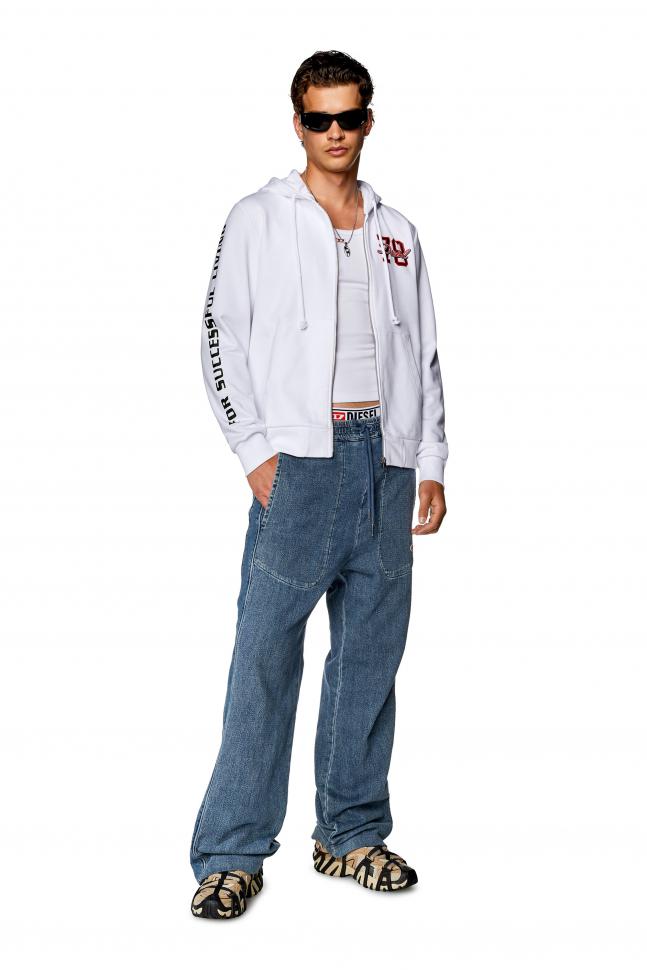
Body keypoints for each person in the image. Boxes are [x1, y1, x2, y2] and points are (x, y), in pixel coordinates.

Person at [190, 49, 448, 919]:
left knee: (369, 658)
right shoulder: (258, 218)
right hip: (299, 462)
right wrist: (254, 450)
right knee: (264, 658)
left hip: (387, 461)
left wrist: (430, 460)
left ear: (367, 121)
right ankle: (231, 852)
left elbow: (424, 353)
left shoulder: (397, 230)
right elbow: (218, 333)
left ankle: (350, 834)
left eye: (348, 117)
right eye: (317, 119)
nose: (334, 132)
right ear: (297, 123)